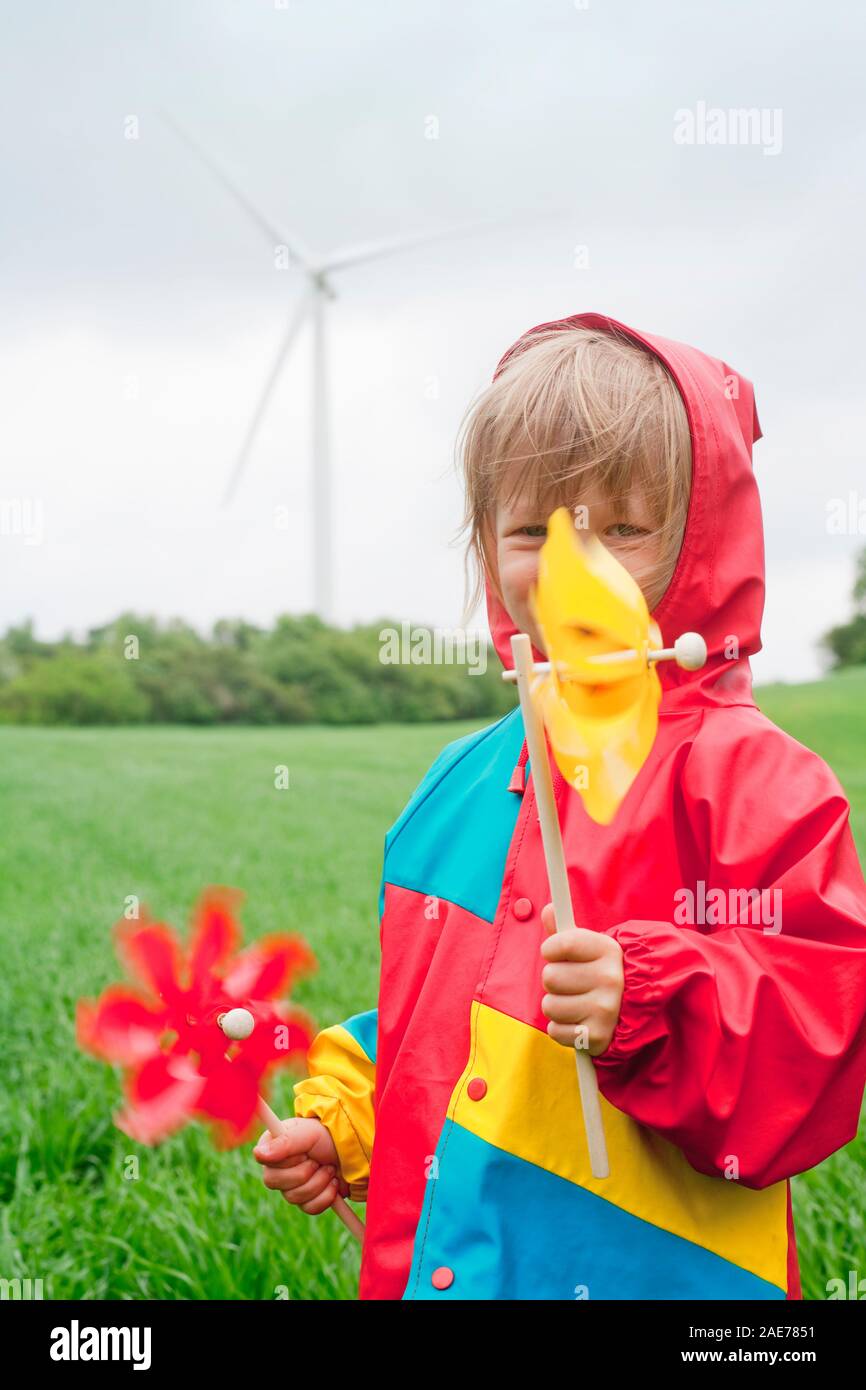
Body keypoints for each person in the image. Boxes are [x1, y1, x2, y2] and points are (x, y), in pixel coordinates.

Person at [254, 311, 866, 1301]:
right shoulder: (452, 787)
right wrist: (348, 1118)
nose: (570, 563)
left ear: (701, 535)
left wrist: (654, 1000)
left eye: (619, 526)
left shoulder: (754, 784)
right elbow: (437, 1026)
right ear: (484, 545)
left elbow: (821, 1037)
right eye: (531, 529)